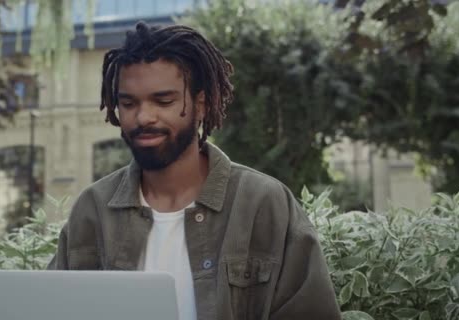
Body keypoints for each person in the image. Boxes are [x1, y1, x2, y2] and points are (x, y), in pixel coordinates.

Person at [47, 21, 341, 320]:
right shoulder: (93, 209)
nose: (144, 116)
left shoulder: (264, 204)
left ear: (201, 105)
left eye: (163, 100)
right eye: (128, 103)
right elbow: (50, 308)